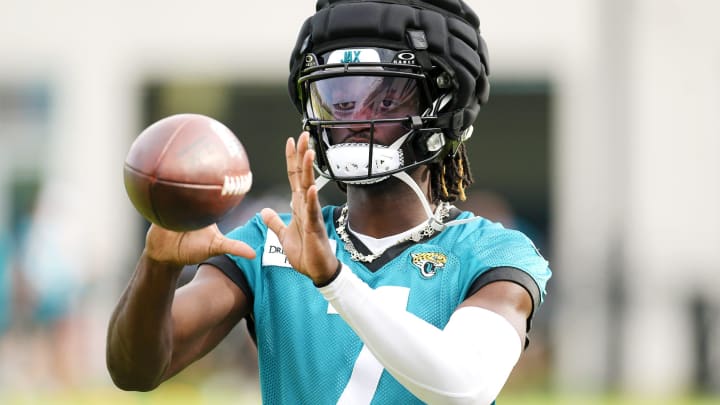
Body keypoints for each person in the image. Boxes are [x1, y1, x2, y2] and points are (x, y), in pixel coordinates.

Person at [106, 0, 552, 404]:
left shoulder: (492, 253)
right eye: (338, 100)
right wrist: (157, 266)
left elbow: (466, 388)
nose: (355, 120)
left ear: (445, 105)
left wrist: (334, 279)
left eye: (384, 98)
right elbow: (136, 372)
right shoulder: (271, 240)